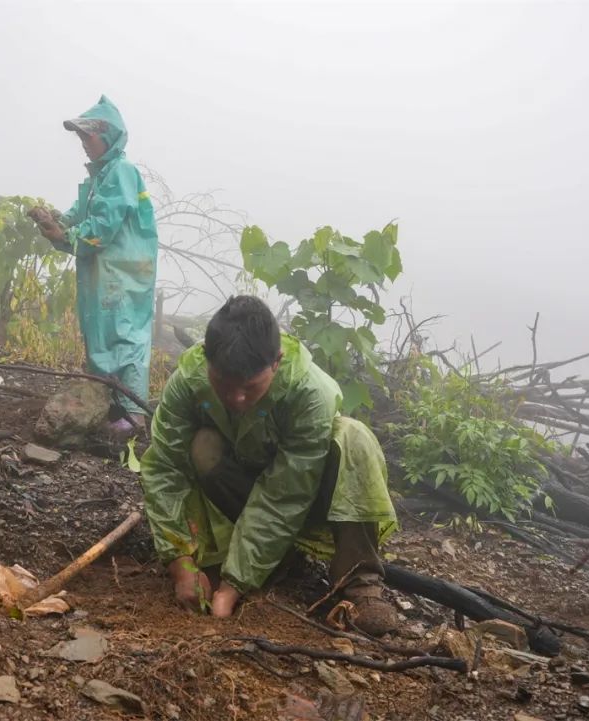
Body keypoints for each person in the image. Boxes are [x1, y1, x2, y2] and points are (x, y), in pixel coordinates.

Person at [138, 295, 399, 635]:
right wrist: (181, 565)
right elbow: (164, 470)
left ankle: (360, 584)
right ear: (206, 360)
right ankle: (257, 558)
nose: (236, 399)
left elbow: (284, 495)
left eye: (250, 387)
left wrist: (233, 586)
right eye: (224, 386)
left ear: (276, 362)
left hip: (307, 500)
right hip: (244, 497)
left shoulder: (310, 392)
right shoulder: (188, 382)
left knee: (354, 436)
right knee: (203, 446)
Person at [30, 96, 158, 440]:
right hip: (105, 272)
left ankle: (132, 416)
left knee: (125, 337)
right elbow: (80, 214)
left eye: (89, 136)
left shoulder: (121, 172)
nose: (84, 143)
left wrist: (66, 235)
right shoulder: (100, 177)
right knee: (101, 334)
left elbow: (103, 225)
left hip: (124, 274)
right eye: (82, 137)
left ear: (108, 136)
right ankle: (108, 407)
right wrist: (56, 221)